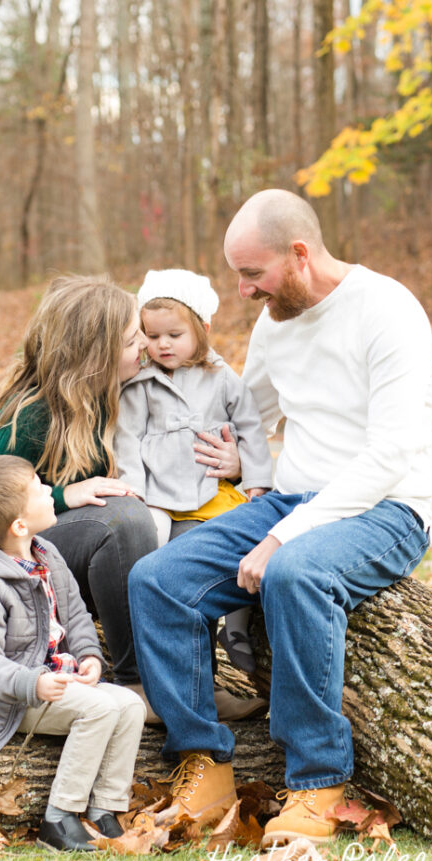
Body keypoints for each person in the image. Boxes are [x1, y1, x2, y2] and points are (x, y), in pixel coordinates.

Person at [128, 189, 432, 842]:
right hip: (292, 499)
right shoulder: (276, 322)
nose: (242, 292)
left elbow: (391, 453)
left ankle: (317, 783)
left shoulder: (387, 312)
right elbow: (249, 415)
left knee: (295, 573)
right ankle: (205, 764)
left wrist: (283, 534)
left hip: (388, 506)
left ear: (300, 254)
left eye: (252, 274)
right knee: (157, 578)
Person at [0, 273, 255, 723]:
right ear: (96, 353)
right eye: (134, 340)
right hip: (48, 552)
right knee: (127, 517)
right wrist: (62, 493)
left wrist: (235, 463)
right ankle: (137, 682)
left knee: (192, 536)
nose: (147, 347)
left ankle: (195, 684)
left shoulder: (135, 387)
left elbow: (191, 442)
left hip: (119, 554)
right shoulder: (35, 413)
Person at [0, 456, 146, 852]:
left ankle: (104, 809)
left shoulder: (43, 551)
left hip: (52, 679)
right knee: (98, 709)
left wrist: (88, 655)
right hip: (6, 696)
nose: (51, 491)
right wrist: (33, 682)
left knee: (130, 705)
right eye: (39, 488)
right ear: (17, 524)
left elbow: (76, 613)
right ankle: (60, 817)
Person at [114, 268, 273, 673]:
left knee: (246, 540)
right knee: (154, 550)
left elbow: (251, 428)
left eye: (174, 335)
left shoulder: (221, 378)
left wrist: (256, 480)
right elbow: (128, 440)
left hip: (208, 487)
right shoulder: (140, 385)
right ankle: (151, 642)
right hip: (156, 493)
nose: (162, 344)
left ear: (202, 328)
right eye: (152, 336)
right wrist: (134, 489)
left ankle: (235, 626)